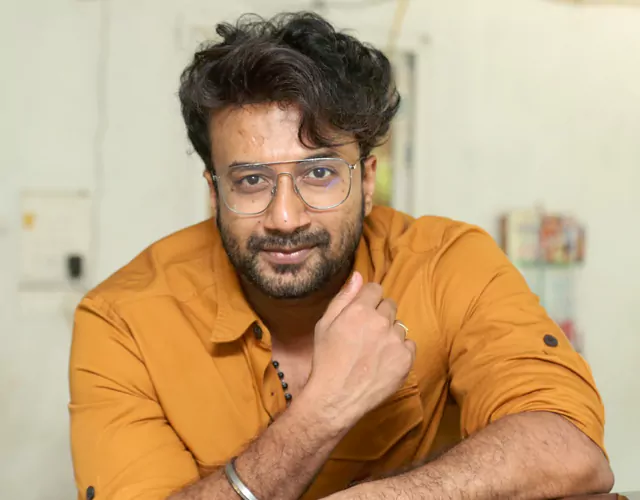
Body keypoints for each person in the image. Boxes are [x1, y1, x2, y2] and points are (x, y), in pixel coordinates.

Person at [68, 12, 614, 500]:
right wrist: (322, 410)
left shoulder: (449, 264)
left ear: (367, 181)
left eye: (320, 173)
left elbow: (568, 445)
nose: (286, 218)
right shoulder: (123, 320)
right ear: (214, 192)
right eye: (251, 181)